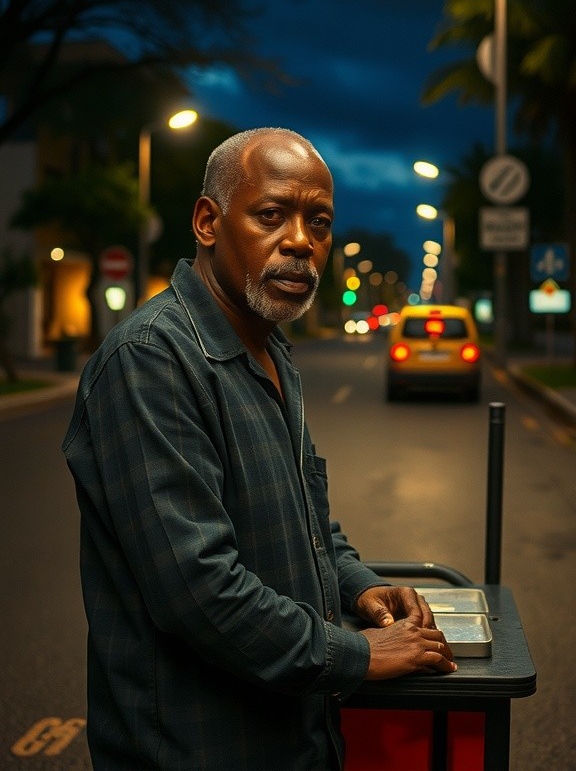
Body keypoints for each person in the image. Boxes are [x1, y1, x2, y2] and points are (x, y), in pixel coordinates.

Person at [63, 127, 456, 771]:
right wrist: (360, 656)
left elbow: (305, 520)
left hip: (291, 737)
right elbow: (199, 591)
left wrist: (359, 587)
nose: (302, 241)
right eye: (271, 215)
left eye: (319, 222)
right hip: (195, 749)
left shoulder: (270, 350)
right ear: (207, 222)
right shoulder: (151, 361)